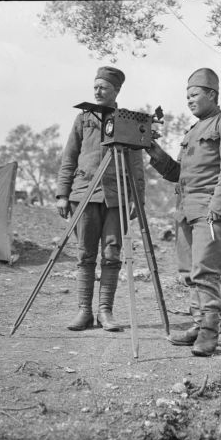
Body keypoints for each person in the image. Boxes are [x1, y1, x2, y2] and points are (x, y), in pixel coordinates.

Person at [146, 68, 221, 356]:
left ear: (212, 94)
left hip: (209, 210)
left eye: (195, 94)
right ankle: (198, 324)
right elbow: (177, 173)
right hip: (185, 211)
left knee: (205, 272)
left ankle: (209, 332)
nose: (189, 100)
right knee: (189, 273)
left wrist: (218, 206)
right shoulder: (192, 132)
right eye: (186, 95)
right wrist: (154, 151)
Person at [56, 66, 145, 332]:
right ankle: (84, 312)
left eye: (103, 87)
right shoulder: (83, 119)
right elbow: (69, 157)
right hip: (83, 195)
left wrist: (137, 199)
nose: (97, 91)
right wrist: (63, 194)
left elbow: (137, 164)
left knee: (111, 253)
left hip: (116, 197)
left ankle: (105, 312)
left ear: (116, 91)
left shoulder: (129, 121)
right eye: (95, 86)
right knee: (85, 254)